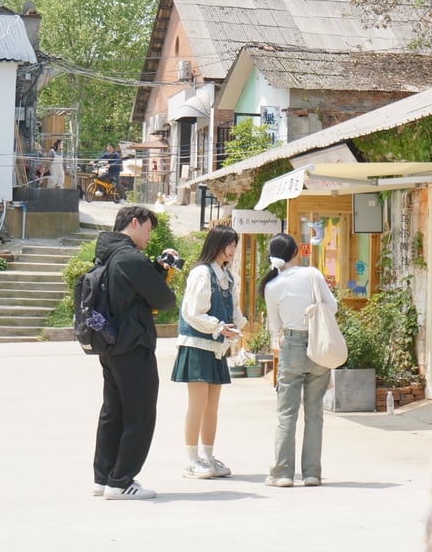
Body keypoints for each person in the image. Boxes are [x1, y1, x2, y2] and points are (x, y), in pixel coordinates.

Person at [92, 205, 180, 500]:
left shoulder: (106, 254)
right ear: (134, 222)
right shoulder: (130, 257)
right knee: (139, 414)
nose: (149, 236)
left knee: (113, 412)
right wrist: (159, 276)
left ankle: (104, 478)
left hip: (110, 344)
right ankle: (121, 481)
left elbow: (129, 294)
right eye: (148, 229)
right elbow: (164, 300)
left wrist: (156, 269)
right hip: (134, 345)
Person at [259, 232, 338, 488]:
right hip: (318, 345)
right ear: (296, 252)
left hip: (291, 346)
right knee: (315, 414)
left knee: (286, 415)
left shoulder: (272, 286)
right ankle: (312, 473)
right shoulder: (313, 274)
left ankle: (282, 473)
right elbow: (332, 306)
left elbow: (275, 325)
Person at [171, 225, 246, 479]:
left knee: (212, 406)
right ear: (217, 245)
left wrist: (236, 326)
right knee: (198, 404)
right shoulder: (202, 273)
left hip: (216, 345)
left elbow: (234, 309)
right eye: (230, 245)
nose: (233, 250)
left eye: (235, 245)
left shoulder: (227, 275)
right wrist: (218, 327)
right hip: (197, 344)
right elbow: (192, 312)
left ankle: (208, 456)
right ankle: (191, 460)